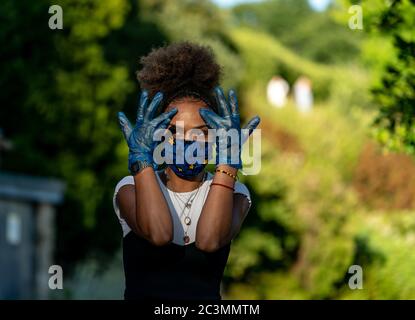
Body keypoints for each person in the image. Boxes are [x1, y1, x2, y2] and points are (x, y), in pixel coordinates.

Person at [112, 42, 260, 300]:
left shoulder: (237, 194)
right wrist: (140, 161)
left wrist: (228, 162)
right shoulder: (130, 188)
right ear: (157, 136)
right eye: (176, 131)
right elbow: (158, 233)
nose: (189, 140)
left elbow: (209, 241)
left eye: (201, 133)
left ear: (216, 137)